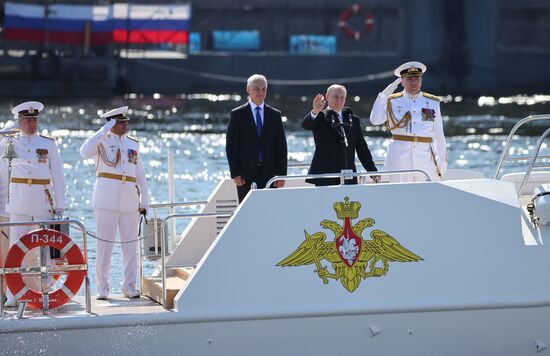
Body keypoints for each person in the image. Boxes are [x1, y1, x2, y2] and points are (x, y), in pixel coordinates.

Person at [79, 106, 149, 300]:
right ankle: (102, 287)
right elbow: (84, 151)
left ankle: (129, 286)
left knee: (130, 246)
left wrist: (145, 200)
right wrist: (104, 130)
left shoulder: (132, 144)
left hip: (129, 201)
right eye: (120, 122)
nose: (125, 125)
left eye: (126, 121)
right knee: (104, 246)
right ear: (111, 123)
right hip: (106, 201)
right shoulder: (100, 142)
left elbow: (140, 175)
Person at [0, 102, 65, 307]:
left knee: (44, 250)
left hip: (42, 201)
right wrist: (10, 126)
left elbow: (59, 176)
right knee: (15, 248)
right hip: (18, 202)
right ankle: (13, 293)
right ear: (19, 121)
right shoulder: (9, 142)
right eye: (27, 120)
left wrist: (60, 205)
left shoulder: (48, 143)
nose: (32, 123)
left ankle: (43, 291)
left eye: (34, 119)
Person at [369, 61, 447, 182]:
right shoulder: (393, 101)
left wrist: (442, 163)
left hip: (425, 160)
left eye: (417, 78)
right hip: (399, 160)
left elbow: (439, 136)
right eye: (409, 79)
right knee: (396, 196)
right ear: (402, 81)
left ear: (421, 80)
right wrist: (384, 95)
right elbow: (375, 120)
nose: (414, 83)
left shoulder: (432, 102)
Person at [226, 74, 288, 202]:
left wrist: (282, 175)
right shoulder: (237, 114)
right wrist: (235, 173)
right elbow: (231, 146)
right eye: (257, 88)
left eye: (263, 89)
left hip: (271, 175)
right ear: (248, 89)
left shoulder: (275, 115)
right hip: (245, 175)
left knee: (270, 211)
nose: (261, 92)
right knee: (247, 214)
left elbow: (281, 147)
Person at [302, 84, 378, 186]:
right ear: (327, 96)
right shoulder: (319, 117)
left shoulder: (353, 120)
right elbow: (306, 125)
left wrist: (372, 171)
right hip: (325, 176)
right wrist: (315, 111)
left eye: (342, 98)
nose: (338, 100)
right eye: (335, 97)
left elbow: (362, 148)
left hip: (348, 174)